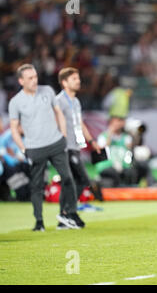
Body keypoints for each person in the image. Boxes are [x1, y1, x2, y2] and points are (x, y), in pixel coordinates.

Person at [8, 64, 83, 231]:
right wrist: (23, 148)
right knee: (36, 186)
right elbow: (14, 128)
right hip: (35, 148)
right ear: (21, 81)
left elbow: (59, 113)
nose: (34, 80)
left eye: (35, 76)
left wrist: (63, 136)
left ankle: (67, 214)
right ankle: (39, 222)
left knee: (68, 178)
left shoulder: (47, 91)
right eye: (30, 78)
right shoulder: (16, 102)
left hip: (56, 143)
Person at [56, 67, 102, 226]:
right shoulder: (59, 101)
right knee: (81, 179)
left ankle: (65, 217)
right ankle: (69, 212)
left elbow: (80, 123)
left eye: (78, 78)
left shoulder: (75, 101)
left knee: (72, 181)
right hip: (64, 147)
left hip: (74, 146)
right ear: (64, 82)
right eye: (74, 79)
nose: (78, 81)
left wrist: (91, 141)